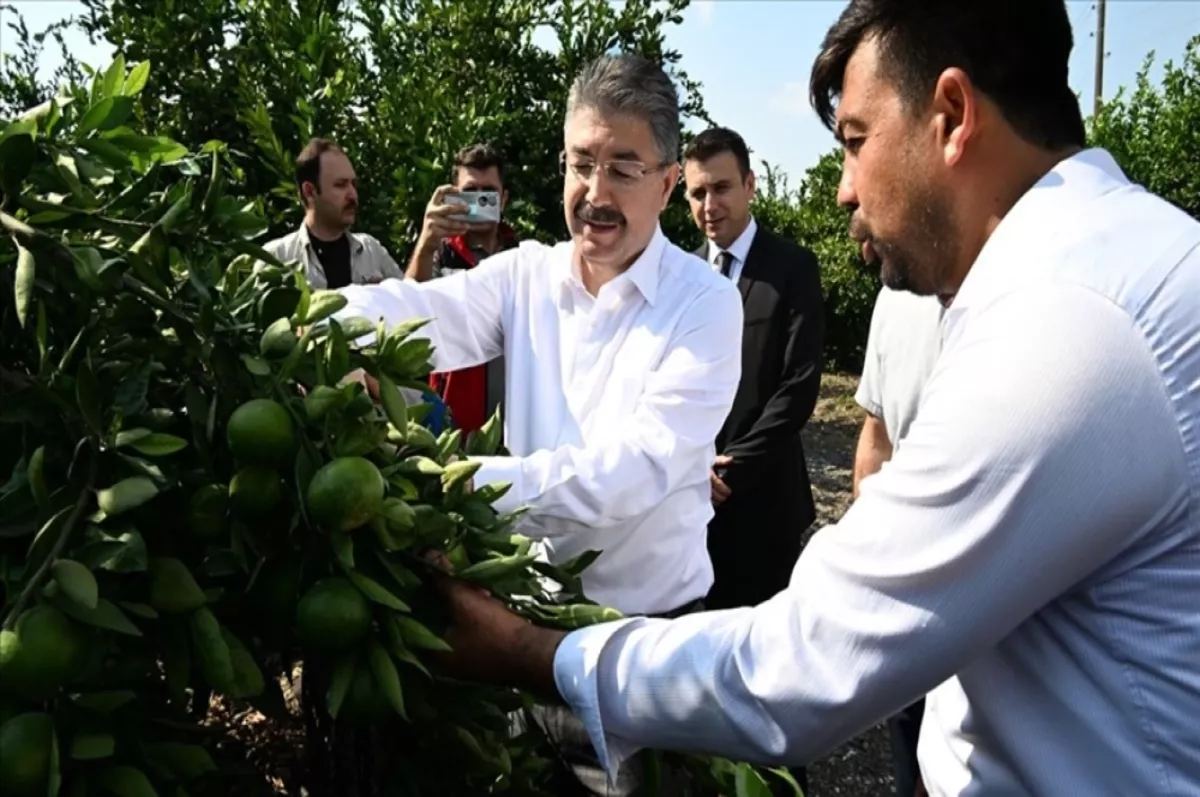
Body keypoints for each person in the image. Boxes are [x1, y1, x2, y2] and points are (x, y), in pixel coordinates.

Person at [421, 2, 1200, 795]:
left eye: (856, 142)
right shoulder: (1106, 264)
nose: (843, 191)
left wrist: (526, 650)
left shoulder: (1070, 319)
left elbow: (807, 662)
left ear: (953, 116)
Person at [329, 53, 743, 795]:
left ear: (668, 181)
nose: (596, 192)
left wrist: (447, 484)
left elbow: (629, 474)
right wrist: (305, 321)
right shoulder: (527, 276)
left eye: (624, 167)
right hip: (515, 630)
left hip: (640, 641)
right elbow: (419, 312)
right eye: (581, 163)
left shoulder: (704, 305)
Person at [681, 127, 823, 797]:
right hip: (690, 514)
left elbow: (797, 391)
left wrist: (730, 471)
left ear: (751, 184)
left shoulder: (790, 267)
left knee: (775, 680)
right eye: (697, 193)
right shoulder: (681, 277)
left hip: (762, 510)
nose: (710, 204)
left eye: (721, 187)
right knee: (706, 675)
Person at [852, 285, 946, 797]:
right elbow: (877, 430)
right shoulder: (893, 298)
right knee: (909, 742)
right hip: (905, 586)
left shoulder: (1031, 296)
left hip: (988, 598)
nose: (846, 198)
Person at [405, 144, 518, 433]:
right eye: (470, 191)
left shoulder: (520, 259)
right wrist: (426, 243)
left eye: (488, 192)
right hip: (451, 427)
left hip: (514, 424)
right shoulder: (440, 255)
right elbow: (407, 314)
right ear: (454, 196)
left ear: (503, 200)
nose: (479, 200)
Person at [261, 138, 404, 288]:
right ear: (310, 191)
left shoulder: (371, 251)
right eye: (340, 185)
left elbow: (408, 300)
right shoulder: (277, 258)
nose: (353, 195)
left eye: (353, 184)